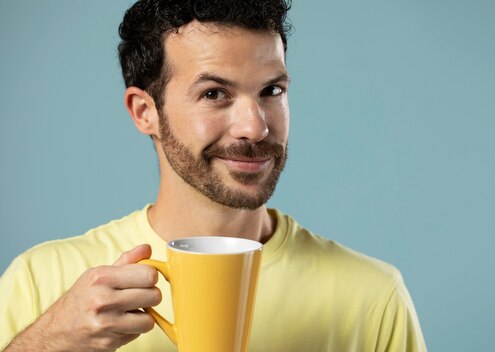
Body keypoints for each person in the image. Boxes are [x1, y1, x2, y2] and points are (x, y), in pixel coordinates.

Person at [0, 0, 427, 351]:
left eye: (271, 91)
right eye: (215, 94)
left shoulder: (373, 296)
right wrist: (49, 341)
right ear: (145, 112)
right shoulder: (42, 281)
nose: (255, 127)